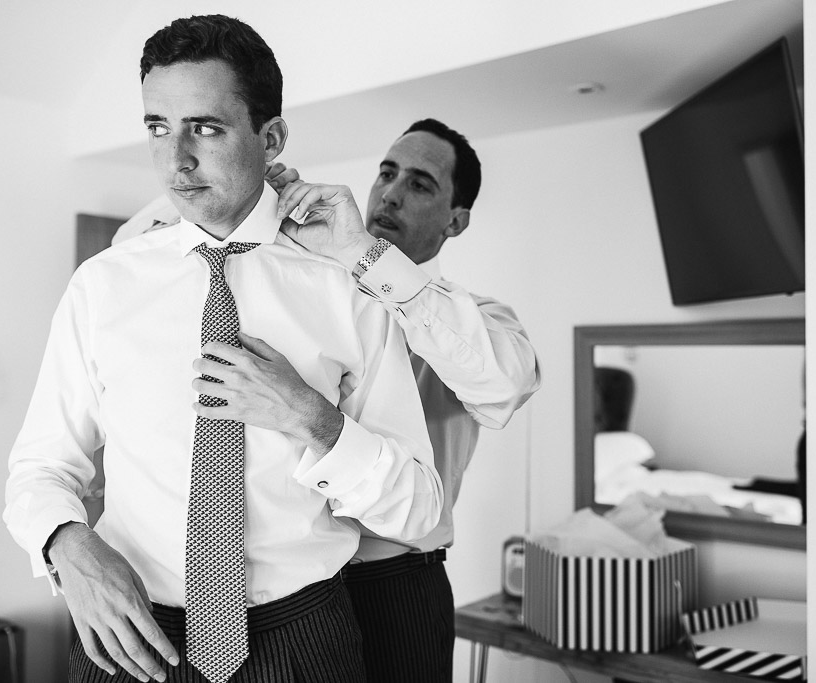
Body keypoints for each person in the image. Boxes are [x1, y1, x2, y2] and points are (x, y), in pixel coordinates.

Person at [3, 15, 442, 683]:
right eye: (158, 126)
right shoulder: (102, 284)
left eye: (204, 127)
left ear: (272, 138)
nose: (175, 160)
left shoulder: (345, 289)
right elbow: (38, 469)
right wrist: (67, 546)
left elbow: (421, 506)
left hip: (303, 642)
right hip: (128, 639)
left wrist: (314, 420)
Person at [113, 119, 539, 680]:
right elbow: (128, 250)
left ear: (455, 220)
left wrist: (365, 255)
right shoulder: (308, 283)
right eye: (387, 172)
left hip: (393, 586)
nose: (390, 192)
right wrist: (243, 191)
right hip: (296, 592)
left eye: (419, 184)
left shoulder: (476, 320)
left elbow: (504, 386)